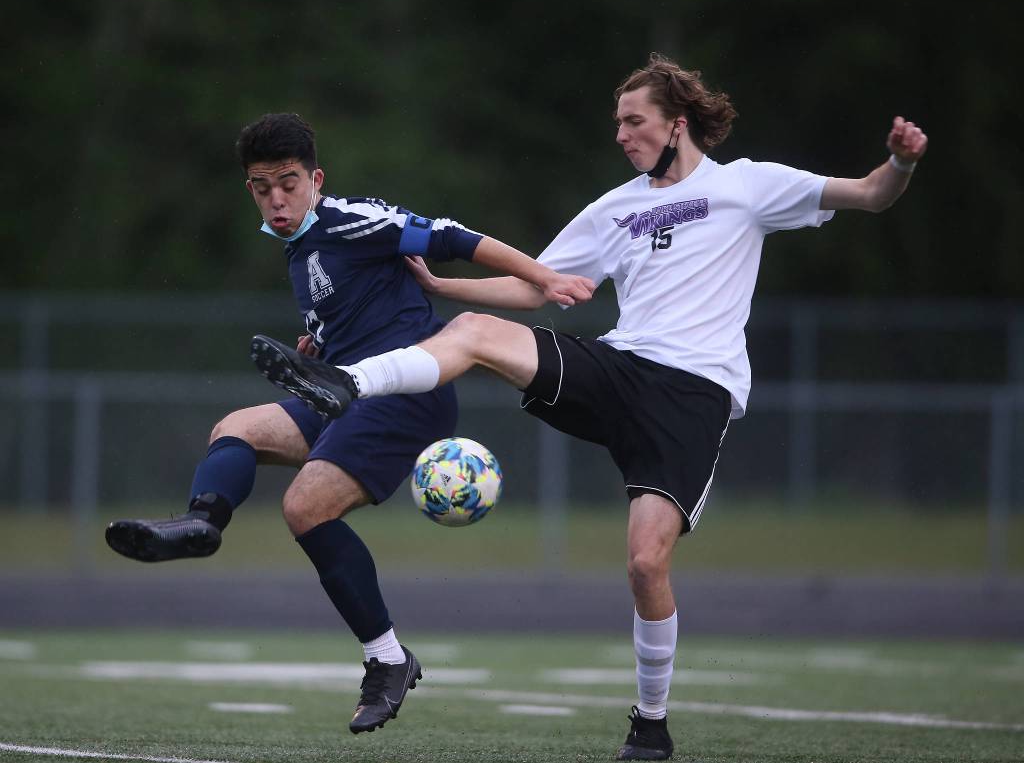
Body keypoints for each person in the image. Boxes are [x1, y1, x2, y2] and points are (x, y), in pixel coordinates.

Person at [248, 55, 928, 760]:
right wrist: (447, 290)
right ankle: (352, 384)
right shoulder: (615, 207)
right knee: (476, 337)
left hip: (695, 395)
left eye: (635, 122)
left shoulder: (749, 186)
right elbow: (539, 285)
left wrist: (900, 163)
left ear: (677, 123)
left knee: (644, 562)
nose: (623, 135)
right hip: (621, 367)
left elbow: (873, 194)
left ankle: (651, 726)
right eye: (618, 124)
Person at [104, 112, 595, 735]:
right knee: (236, 427)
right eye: (262, 187)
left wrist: (544, 276)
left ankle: (387, 660)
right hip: (341, 389)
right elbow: (362, 302)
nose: (276, 198)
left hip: (406, 394)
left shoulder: (350, 218)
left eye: (288, 182)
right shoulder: (301, 246)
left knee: (305, 508)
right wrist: (322, 341)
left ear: (316, 178)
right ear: (249, 190)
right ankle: (201, 525)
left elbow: (452, 234)